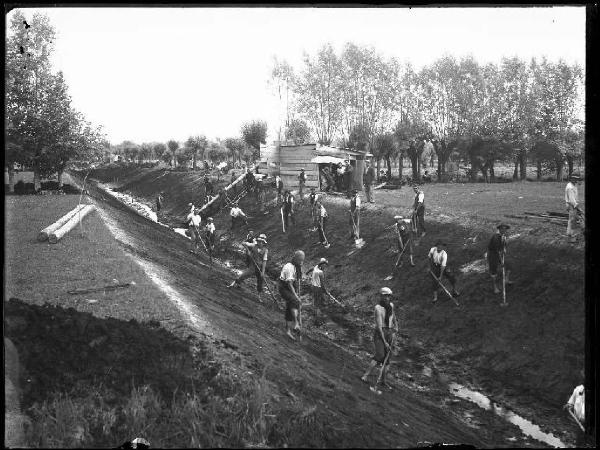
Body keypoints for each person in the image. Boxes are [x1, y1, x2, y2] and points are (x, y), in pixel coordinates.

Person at [361, 287, 398, 389]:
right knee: (380, 355)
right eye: (385, 296)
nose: (387, 298)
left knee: (387, 358)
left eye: (389, 296)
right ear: (381, 296)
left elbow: (393, 316)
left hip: (389, 332)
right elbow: (379, 326)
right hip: (380, 333)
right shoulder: (378, 308)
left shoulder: (391, 305)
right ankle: (365, 375)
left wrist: (396, 326)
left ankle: (383, 380)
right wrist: (385, 341)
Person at [228, 234, 269, 302]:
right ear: (257, 241)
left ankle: (259, 295)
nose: (260, 243)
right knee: (245, 274)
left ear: (264, 243)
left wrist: (263, 272)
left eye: (262, 242)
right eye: (259, 241)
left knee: (260, 281)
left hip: (260, 267)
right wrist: (248, 251)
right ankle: (233, 283)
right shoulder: (253, 245)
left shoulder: (265, 250)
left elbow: (264, 261)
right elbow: (243, 243)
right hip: (252, 265)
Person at [279, 250, 305, 340]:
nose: (301, 262)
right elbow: (289, 284)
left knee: (289, 307)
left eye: (302, 260)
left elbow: (297, 281)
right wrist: (296, 296)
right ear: (295, 259)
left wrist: (297, 292)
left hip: (291, 287)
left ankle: (288, 331)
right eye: (300, 260)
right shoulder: (289, 267)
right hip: (284, 287)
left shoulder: (297, 267)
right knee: (295, 301)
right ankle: (296, 323)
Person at [487, 224, 513, 295]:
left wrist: (504, 250)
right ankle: (495, 287)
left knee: (509, 265)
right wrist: (501, 261)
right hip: (492, 254)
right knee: (493, 271)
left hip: (499, 253)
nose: (504, 230)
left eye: (505, 229)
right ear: (499, 229)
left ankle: (506, 280)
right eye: (502, 229)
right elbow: (497, 250)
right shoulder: (496, 237)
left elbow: (503, 246)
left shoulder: (503, 236)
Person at [310, 258, 330, 324]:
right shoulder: (320, 272)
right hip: (317, 288)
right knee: (318, 304)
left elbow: (311, 269)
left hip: (312, 286)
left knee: (315, 300)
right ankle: (318, 321)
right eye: (325, 265)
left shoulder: (316, 267)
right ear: (322, 264)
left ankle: (314, 313)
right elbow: (322, 284)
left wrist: (307, 272)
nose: (325, 266)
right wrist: (325, 291)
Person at [565, 175, 582, 243]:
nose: (576, 180)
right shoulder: (570, 187)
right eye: (575, 179)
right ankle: (572, 237)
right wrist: (577, 207)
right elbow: (572, 200)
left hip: (572, 204)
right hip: (572, 205)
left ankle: (569, 233)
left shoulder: (573, 185)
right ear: (571, 178)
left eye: (577, 179)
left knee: (571, 219)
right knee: (573, 220)